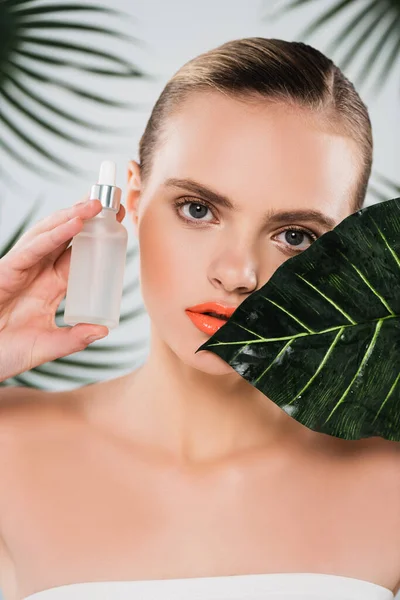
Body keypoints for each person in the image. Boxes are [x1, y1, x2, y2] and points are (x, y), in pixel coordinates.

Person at [0, 37, 398, 600]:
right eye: (198, 209)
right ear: (131, 203)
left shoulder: (390, 481)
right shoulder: (7, 448)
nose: (238, 272)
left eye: (294, 236)